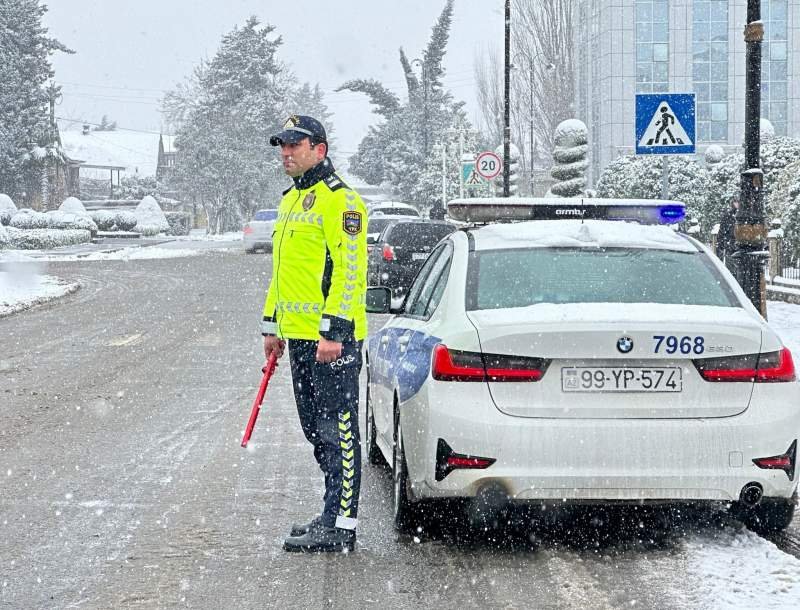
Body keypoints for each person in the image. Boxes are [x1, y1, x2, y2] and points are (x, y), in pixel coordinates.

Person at [260, 115, 368, 553]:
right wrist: (272, 326)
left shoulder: (340, 202)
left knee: (337, 430)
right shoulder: (291, 202)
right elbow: (283, 273)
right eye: (282, 146)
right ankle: (330, 512)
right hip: (301, 338)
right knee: (314, 429)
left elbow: (350, 272)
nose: (286, 153)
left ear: (319, 150)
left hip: (331, 343)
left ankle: (342, 526)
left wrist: (335, 332)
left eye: (295, 145)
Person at [716, 197, 739, 272]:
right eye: (735, 202)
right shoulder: (728, 216)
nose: (737, 204)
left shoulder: (746, 216)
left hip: (742, 247)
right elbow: (722, 232)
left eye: (738, 202)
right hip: (731, 247)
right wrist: (721, 246)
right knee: (731, 270)